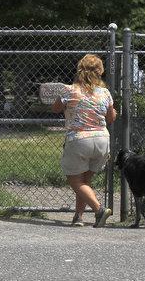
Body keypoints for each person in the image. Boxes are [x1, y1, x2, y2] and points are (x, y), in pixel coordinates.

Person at [51, 54, 116, 228]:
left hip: (79, 140)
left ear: (79, 70)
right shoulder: (105, 92)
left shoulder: (70, 90)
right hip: (102, 139)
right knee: (85, 182)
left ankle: (99, 209)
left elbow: (55, 108)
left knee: (76, 181)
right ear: (100, 72)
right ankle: (78, 217)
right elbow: (111, 118)